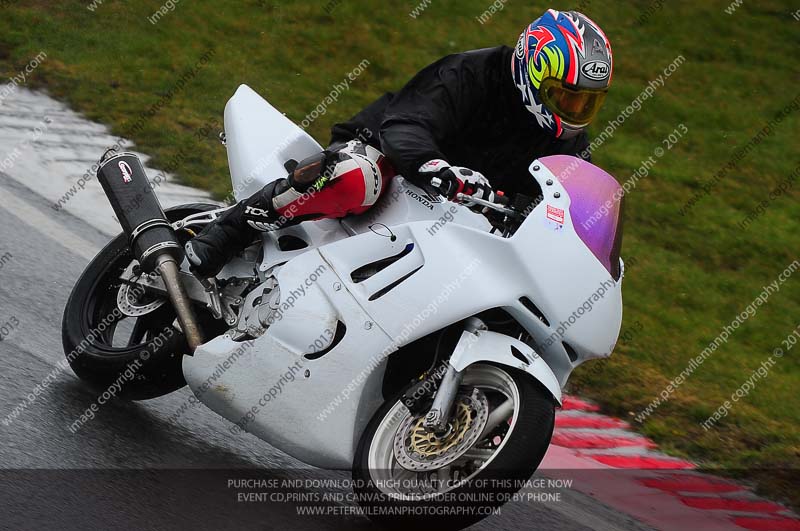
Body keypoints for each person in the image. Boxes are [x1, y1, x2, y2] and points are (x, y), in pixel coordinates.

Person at [186, 9, 613, 277]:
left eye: (585, 102)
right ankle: (230, 228)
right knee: (355, 178)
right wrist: (435, 167)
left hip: (459, 220)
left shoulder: (569, 143)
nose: (574, 111)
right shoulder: (470, 74)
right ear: (532, 70)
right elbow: (408, 125)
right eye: (566, 96)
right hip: (393, 160)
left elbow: (570, 204)